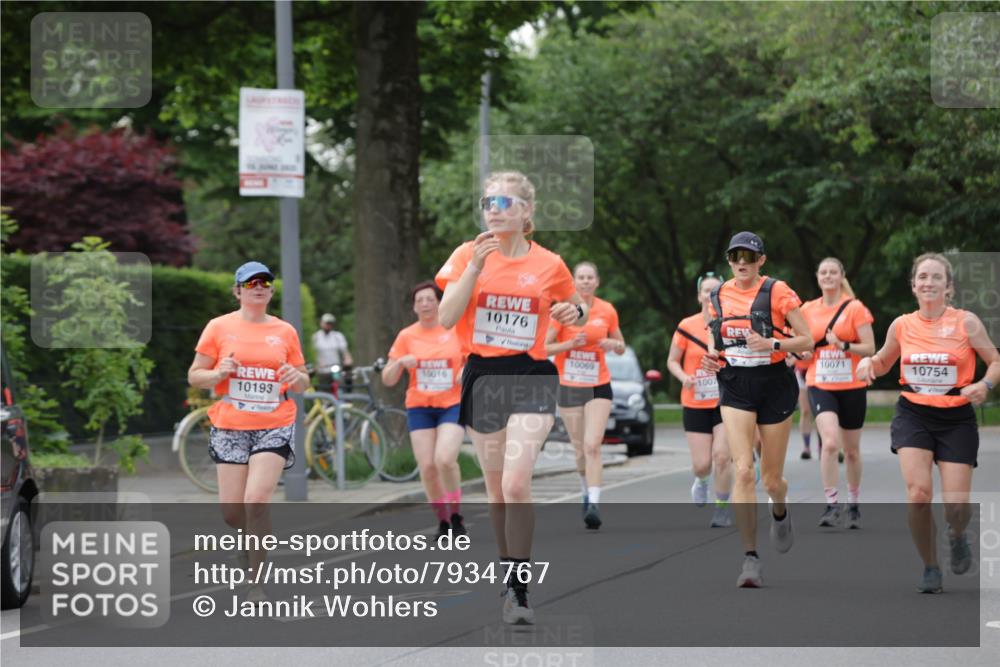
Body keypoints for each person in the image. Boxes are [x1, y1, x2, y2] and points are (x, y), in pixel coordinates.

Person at [437, 170, 587, 625]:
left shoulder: (549, 263)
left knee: (517, 484)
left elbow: (576, 309)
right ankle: (508, 575)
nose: (494, 210)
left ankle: (520, 592)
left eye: (505, 202)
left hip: (531, 375)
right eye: (489, 202)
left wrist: (574, 311)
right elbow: (446, 317)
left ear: (526, 211)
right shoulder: (466, 254)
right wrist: (476, 267)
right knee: (498, 492)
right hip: (483, 375)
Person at [857, 253, 998, 593]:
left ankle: (957, 534)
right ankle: (931, 566)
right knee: (919, 494)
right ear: (913, 285)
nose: (929, 283)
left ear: (949, 287)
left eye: (936, 277)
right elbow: (884, 361)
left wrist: (985, 385)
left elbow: (995, 360)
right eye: (922, 277)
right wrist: (868, 364)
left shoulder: (966, 322)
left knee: (957, 506)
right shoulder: (902, 325)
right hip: (914, 414)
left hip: (956, 418)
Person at [187, 261, 310, 602]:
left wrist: (295, 377)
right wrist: (217, 374)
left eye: (264, 283)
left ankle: (256, 582)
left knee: (256, 499)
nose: (258, 287)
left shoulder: (285, 331)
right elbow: (194, 375)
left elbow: (302, 380)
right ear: (237, 291)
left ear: (271, 291)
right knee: (232, 513)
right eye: (250, 283)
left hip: (274, 423)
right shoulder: (218, 327)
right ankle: (246, 539)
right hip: (231, 424)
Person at [701, 232, 813, 588]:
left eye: (749, 256)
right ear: (729, 260)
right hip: (736, 383)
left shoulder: (777, 291)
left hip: (774, 384)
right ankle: (750, 559)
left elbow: (808, 340)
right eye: (736, 256)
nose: (742, 263)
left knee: (772, 479)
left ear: (761, 260)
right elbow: (714, 334)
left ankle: (779, 510)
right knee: (744, 471)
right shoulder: (718, 295)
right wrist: (711, 355)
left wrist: (772, 343)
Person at [382, 281, 467, 539]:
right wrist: (399, 364)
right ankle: (442, 520)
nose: (425, 304)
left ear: (439, 303)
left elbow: (473, 358)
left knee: (445, 459)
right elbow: (387, 378)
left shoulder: (455, 329)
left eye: (430, 299)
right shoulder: (407, 336)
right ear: (414, 307)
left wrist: (465, 371)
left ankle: (456, 514)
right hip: (420, 407)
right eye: (420, 300)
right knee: (428, 467)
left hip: (452, 404)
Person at [545, 261, 626, 530]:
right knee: (580, 448)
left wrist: (613, 344)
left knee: (593, 445)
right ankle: (584, 490)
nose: (586, 281)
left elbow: (622, 346)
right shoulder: (563, 310)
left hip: (598, 385)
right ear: (574, 282)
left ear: (597, 282)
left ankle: (594, 503)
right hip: (569, 386)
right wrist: (570, 344)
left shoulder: (607, 310)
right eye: (581, 277)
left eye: (590, 277)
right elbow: (544, 348)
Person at [799, 258, 875, 529]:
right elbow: (800, 344)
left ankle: (853, 503)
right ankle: (832, 505)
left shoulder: (855, 308)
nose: (828, 276)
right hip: (820, 384)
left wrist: (844, 345)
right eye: (824, 272)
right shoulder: (807, 309)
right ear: (817, 276)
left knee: (851, 451)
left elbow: (870, 348)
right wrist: (801, 353)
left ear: (841, 276)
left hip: (852, 385)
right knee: (830, 442)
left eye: (833, 272)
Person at [666, 271, 733, 528]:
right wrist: (684, 377)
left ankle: (722, 508)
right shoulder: (686, 325)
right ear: (699, 296)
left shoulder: (731, 324)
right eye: (707, 290)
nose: (711, 295)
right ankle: (702, 480)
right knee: (702, 464)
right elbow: (672, 361)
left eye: (716, 291)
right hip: (695, 401)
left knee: (722, 456)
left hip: (725, 400)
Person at [311, 313, 353, 390]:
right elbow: (312, 353)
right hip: (322, 370)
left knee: (339, 386)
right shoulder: (316, 337)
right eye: (327, 323)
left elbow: (344, 351)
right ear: (321, 323)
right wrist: (316, 364)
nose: (328, 325)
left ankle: (340, 395)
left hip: (335, 368)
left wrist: (347, 359)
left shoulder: (337, 336)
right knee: (323, 389)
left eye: (330, 323)